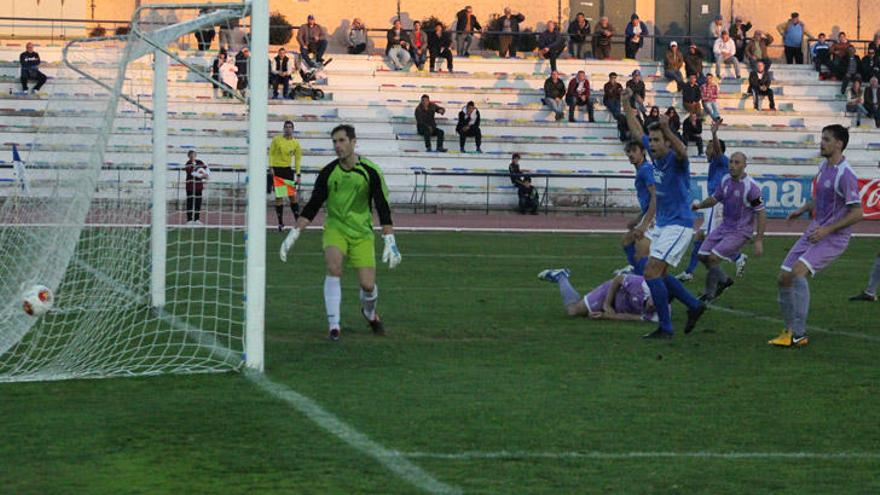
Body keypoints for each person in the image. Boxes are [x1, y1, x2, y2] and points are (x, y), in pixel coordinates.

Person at [279, 124, 400, 341]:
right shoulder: (328, 172)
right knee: (333, 266)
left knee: (368, 285)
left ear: (353, 142)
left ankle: (370, 313)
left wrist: (389, 239)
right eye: (335, 142)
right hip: (335, 228)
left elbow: (382, 206)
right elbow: (314, 205)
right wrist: (294, 233)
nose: (338, 145)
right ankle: (334, 325)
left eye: (342, 140)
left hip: (362, 232)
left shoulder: (370, 171)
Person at [770, 125, 863, 347]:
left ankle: (799, 334)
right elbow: (820, 199)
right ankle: (788, 330)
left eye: (826, 139)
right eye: (822, 138)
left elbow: (858, 212)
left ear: (839, 143)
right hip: (815, 230)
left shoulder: (845, 173)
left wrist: (828, 230)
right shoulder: (823, 167)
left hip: (833, 237)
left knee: (798, 272)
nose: (821, 143)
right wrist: (802, 209)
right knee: (783, 278)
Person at [623, 94, 707, 338]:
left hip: (679, 225)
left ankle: (666, 328)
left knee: (650, 272)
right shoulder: (655, 154)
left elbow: (682, 151)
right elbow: (637, 131)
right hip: (664, 224)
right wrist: (626, 104)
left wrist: (667, 129)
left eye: (658, 140)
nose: (653, 143)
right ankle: (693, 305)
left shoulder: (676, 160)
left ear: (667, 142)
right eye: (653, 140)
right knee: (658, 273)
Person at [690, 151, 766, 301]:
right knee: (701, 255)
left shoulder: (752, 187)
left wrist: (758, 240)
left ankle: (709, 294)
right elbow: (714, 199)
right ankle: (724, 280)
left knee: (713, 258)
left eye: (737, 162)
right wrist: (699, 206)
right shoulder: (725, 180)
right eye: (731, 162)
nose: (732, 165)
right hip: (725, 227)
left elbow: (761, 212)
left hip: (740, 231)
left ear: (745, 166)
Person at [677, 120, 738, 282]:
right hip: (713, 203)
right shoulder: (716, 163)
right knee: (699, 237)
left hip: (717, 203)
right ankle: (689, 272)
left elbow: (717, 150)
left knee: (711, 238)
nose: (706, 150)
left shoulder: (721, 160)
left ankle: (736, 257)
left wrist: (714, 133)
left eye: (708, 147)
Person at [537, 269, 657, 322]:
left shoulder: (659, 316)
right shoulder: (643, 285)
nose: (652, 306)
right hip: (610, 292)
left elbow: (631, 318)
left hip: (619, 306)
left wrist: (605, 316)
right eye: (654, 302)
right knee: (573, 311)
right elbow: (618, 280)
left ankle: (629, 272)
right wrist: (606, 304)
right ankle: (561, 276)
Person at [619, 137, 656, 276]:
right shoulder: (642, 169)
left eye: (634, 151)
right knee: (627, 240)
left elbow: (655, 196)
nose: (630, 154)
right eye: (628, 151)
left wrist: (644, 223)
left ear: (643, 152)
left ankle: (642, 277)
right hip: (649, 212)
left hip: (655, 214)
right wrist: (638, 218)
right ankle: (638, 271)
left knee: (640, 248)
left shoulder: (646, 170)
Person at [268, 121, 303, 232]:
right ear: (283, 128)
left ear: (293, 129)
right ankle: (280, 223)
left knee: (292, 196)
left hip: (288, 170)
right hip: (277, 170)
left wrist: (298, 174)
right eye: (286, 127)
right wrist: (271, 167)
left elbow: (297, 159)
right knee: (279, 197)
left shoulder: (295, 143)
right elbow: (271, 153)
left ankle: (297, 222)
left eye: (290, 127)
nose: (288, 129)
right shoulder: (277, 140)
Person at [184, 150, 210, 225]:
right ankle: (189, 220)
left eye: (194, 155)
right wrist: (202, 176)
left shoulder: (200, 162)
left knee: (198, 203)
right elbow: (192, 173)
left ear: (196, 155)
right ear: (188, 156)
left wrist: (207, 174)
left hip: (199, 186)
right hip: (190, 186)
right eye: (191, 156)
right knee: (190, 203)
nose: (192, 157)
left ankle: (197, 219)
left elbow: (206, 168)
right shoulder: (188, 164)